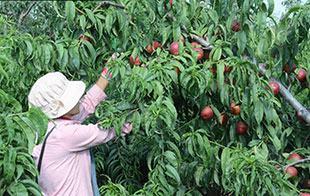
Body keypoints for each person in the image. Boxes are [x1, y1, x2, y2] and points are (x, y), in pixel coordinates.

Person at [29, 54, 132, 196]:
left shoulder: (45, 127)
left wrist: (107, 72)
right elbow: (107, 131)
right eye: (71, 98)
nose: (77, 99)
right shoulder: (65, 135)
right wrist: (140, 110)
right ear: (61, 108)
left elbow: (88, 103)